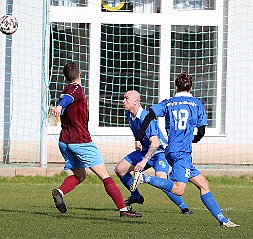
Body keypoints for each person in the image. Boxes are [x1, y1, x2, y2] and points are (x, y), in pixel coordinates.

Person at [130, 72, 239, 227]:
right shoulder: (197, 104)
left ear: (176, 86)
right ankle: (144, 178)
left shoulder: (168, 103)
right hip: (182, 153)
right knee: (179, 189)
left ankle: (223, 220)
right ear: (191, 87)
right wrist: (194, 139)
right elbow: (201, 131)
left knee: (203, 184)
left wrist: (139, 137)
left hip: (171, 150)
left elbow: (149, 115)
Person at [50, 62, 142, 218]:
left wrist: (59, 105)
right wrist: (59, 106)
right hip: (80, 141)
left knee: (80, 175)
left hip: (64, 141)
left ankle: (60, 192)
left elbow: (66, 98)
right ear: (80, 74)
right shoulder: (75, 89)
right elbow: (68, 99)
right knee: (105, 175)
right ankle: (123, 210)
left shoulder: (65, 90)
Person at [115, 90, 193, 214]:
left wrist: (144, 161)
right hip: (145, 151)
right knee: (120, 169)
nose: (123, 101)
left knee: (161, 180)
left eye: (126, 98)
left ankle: (184, 207)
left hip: (159, 153)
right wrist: (138, 140)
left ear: (135, 101)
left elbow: (155, 143)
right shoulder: (129, 114)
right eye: (123, 98)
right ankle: (136, 196)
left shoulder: (145, 117)